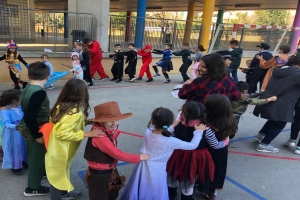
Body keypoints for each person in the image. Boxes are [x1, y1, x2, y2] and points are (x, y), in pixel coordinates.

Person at [120, 107, 206, 200]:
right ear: (169, 123)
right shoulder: (170, 141)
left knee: (139, 185)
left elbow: (160, 132)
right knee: (155, 189)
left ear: (152, 121)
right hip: (157, 170)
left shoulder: (148, 131)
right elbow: (192, 145)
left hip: (142, 165)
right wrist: (199, 131)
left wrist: (172, 126)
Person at [45, 79, 104, 200]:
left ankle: (64, 193)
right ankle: (57, 197)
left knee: (60, 172)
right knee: (57, 175)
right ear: (82, 93)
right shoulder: (74, 112)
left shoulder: (62, 106)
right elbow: (61, 133)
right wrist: (87, 134)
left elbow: (62, 124)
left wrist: (86, 121)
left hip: (57, 147)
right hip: (61, 150)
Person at [83, 101, 150, 200]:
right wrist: (139, 157)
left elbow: (112, 134)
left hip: (111, 170)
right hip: (100, 176)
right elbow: (116, 154)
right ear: (101, 121)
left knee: (113, 194)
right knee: (100, 196)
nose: (115, 124)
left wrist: (113, 130)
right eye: (111, 121)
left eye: (117, 120)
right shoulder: (99, 135)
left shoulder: (103, 128)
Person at [167, 102, 229, 200]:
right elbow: (215, 145)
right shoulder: (206, 129)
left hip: (177, 154)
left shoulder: (178, 124)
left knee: (173, 173)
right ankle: (186, 197)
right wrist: (225, 141)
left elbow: (172, 138)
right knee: (189, 178)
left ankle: (170, 194)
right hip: (195, 159)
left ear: (184, 114)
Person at [253, 54, 300, 153]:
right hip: (284, 102)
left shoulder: (280, 70)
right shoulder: (297, 74)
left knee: (273, 120)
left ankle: (261, 135)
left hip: (271, 98)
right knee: (280, 123)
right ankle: (264, 144)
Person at [16, 61, 51, 196]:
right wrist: (38, 136)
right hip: (36, 129)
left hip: (28, 127)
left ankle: (42, 173)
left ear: (27, 74)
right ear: (47, 77)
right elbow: (31, 116)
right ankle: (32, 187)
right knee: (36, 157)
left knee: (36, 155)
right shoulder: (39, 93)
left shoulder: (27, 88)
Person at [199, 94, 236, 199]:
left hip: (204, 149)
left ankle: (199, 186)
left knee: (203, 169)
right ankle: (212, 191)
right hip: (220, 151)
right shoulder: (230, 120)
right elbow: (232, 134)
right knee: (217, 170)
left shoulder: (204, 120)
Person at [230, 81, 277, 146]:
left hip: (232, 114)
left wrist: (259, 94)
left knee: (230, 129)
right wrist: (269, 99)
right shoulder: (242, 98)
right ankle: (227, 142)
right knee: (231, 131)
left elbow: (249, 96)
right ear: (245, 90)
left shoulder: (236, 94)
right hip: (234, 116)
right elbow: (255, 101)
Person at [0, 89, 27, 175]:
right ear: (15, 101)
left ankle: (23, 160)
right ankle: (16, 166)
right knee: (15, 148)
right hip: (13, 134)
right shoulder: (5, 111)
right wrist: (16, 126)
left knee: (23, 146)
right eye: (21, 98)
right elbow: (6, 124)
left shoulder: (20, 108)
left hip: (22, 131)